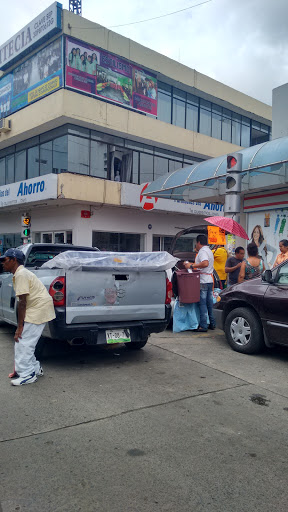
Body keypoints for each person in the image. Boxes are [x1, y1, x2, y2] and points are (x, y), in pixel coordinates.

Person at [0, 248, 56, 386]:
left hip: (38, 308)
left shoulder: (21, 274)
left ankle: (27, 374)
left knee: (23, 343)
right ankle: (35, 369)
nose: (2, 263)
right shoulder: (20, 273)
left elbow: (22, 302)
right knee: (25, 342)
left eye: (5, 260)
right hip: (38, 307)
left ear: (14, 260)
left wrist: (19, 327)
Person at [184, 234, 215, 332]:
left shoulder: (202, 251)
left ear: (198, 243)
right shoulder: (209, 250)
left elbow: (205, 263)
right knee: (209, 304)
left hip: (203, 281)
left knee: (202, 304)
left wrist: (192, 266)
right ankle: (212, 323)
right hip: (209, 280)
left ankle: (203, 325)